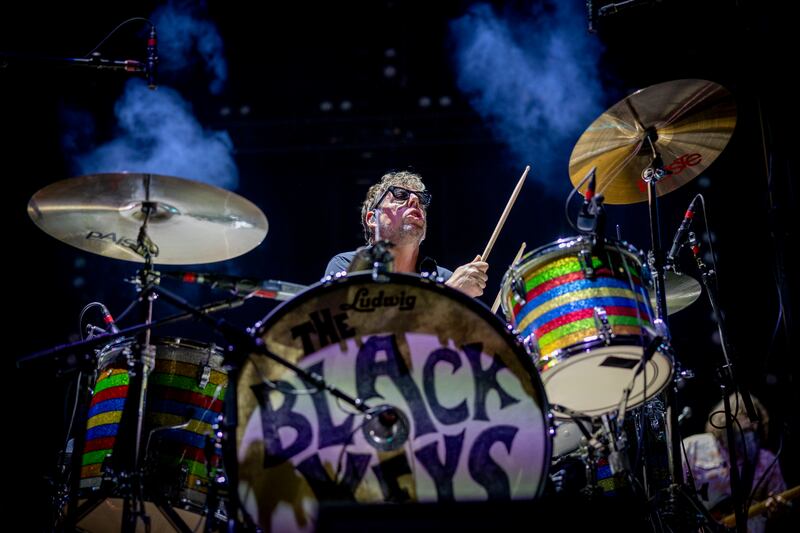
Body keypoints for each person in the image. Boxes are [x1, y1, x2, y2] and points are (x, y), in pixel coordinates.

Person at [324, 170, 489, 297]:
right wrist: (449, 294)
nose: (415, 201)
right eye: (400, 195)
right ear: (372, 219)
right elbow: (370, 326)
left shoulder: (444, 277)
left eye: (421, 200)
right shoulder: (348, 267)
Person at [682, 393, 788, 532]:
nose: (752, 423)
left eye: (755, 418)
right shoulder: (693, 447)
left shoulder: (767, 460)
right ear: (726, 417)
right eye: (745, 414)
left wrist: (777, 509)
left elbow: (779, 505)